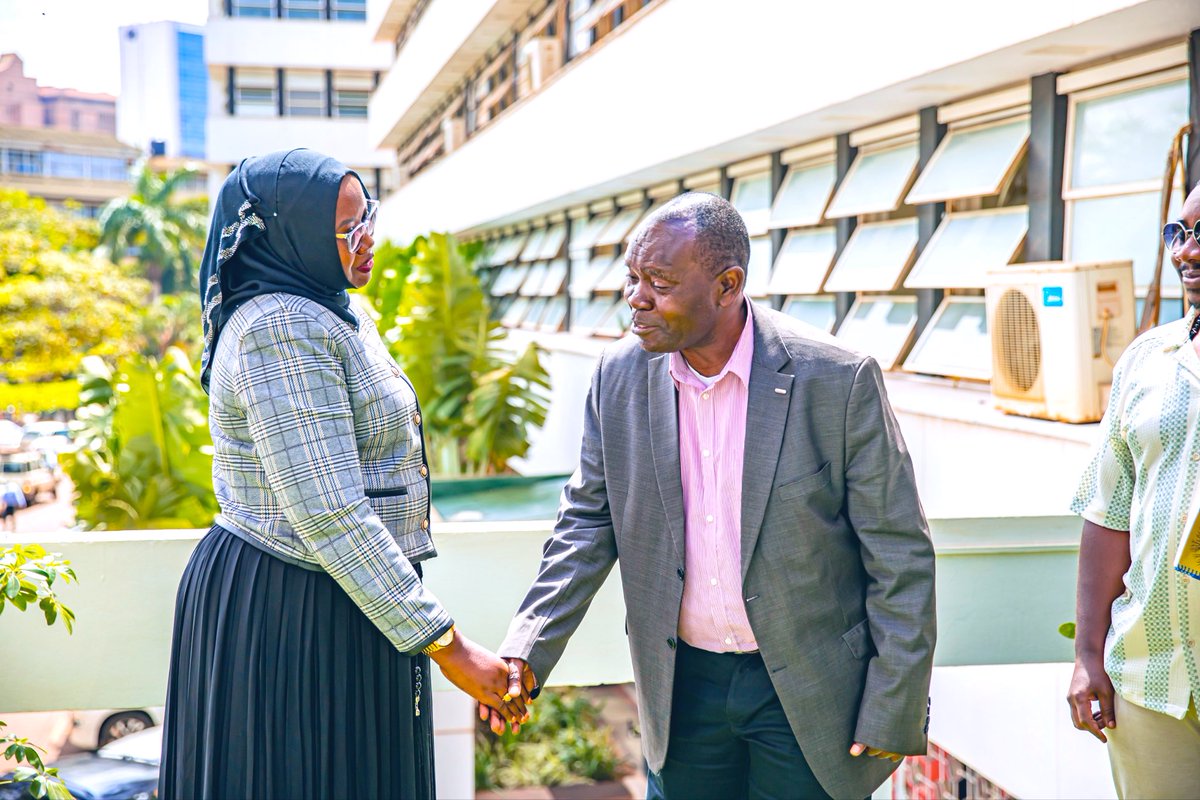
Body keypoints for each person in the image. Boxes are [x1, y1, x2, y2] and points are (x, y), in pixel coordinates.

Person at [487, 193, 937, 799]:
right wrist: (527, 649)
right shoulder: (618, 376)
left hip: (808, 694)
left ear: (727, 286)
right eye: (632, 278)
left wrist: (893, 701)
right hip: (681, 688)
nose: (636, 298)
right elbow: (588, 525)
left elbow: (899, 550)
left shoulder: (837, 379)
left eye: (659, 282)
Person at [159, 149, 527, 800]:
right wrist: (451, 649)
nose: (368, 239)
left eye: (368, 218)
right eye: (347, 229)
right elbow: (331, 513)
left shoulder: (330, 307)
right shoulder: (281, 327)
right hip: (291, 608)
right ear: (292, 235)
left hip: (336, 600)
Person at [1068, 180, 1200, 799]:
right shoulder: (1147, 358)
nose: (1188, 251)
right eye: (1180, 232)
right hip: (1150, 680)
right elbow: (1108, 513)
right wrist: (1087, 655)